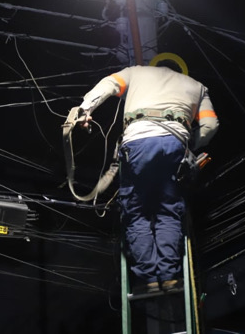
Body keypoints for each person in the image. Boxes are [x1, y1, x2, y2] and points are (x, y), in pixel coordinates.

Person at [77, 62, 219, 293]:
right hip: (176, 144)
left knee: (136, 211)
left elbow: (109, 84)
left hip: (139, 140)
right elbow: (210, 125)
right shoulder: (198, 86)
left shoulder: (136, 72)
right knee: (169, 209)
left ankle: (149, 278)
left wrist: (85, 110)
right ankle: (169, 276)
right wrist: (190, 143)